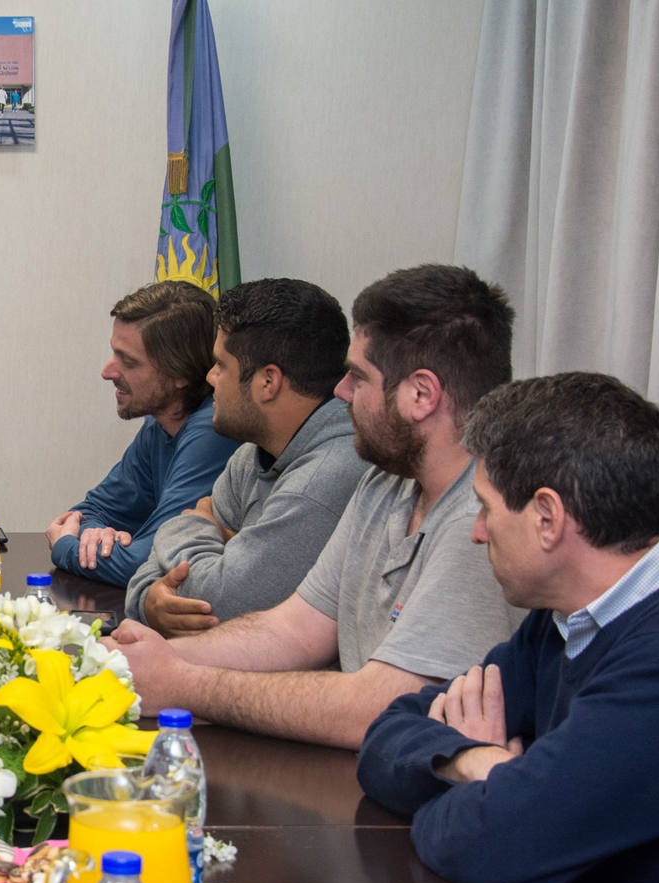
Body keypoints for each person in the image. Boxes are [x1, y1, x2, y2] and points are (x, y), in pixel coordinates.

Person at [356, 373, 659, 883]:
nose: (475, 533)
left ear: (548, 517)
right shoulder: (571, 615)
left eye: (486, 508)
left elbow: (490, 845)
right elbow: (385, 741)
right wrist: (478, 762)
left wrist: (501, 796)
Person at [109, 264, 524, 749]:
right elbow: (294, 629)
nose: (340, 392)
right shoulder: (385, 480)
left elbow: (379, 707)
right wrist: (152, 659)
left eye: (358, 377)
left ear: (421, 394)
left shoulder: (482, 520)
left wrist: (182, 682)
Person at [125, 278, 367, 633]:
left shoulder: (324, 476)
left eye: (221, 365)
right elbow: (150, 574)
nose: (209, 378)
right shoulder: (252, 454)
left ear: (269, 382)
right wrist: (149, 600)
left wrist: (194, 521)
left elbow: (218, 603)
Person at [44, 280, 240, 586]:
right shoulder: (161, 421)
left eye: (129, 361)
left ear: (179, 373)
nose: (107, 372)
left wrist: (67, 548)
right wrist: (97, 534)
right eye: (114, 354)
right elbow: (86, 513)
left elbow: (153, 562)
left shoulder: (212, 432)